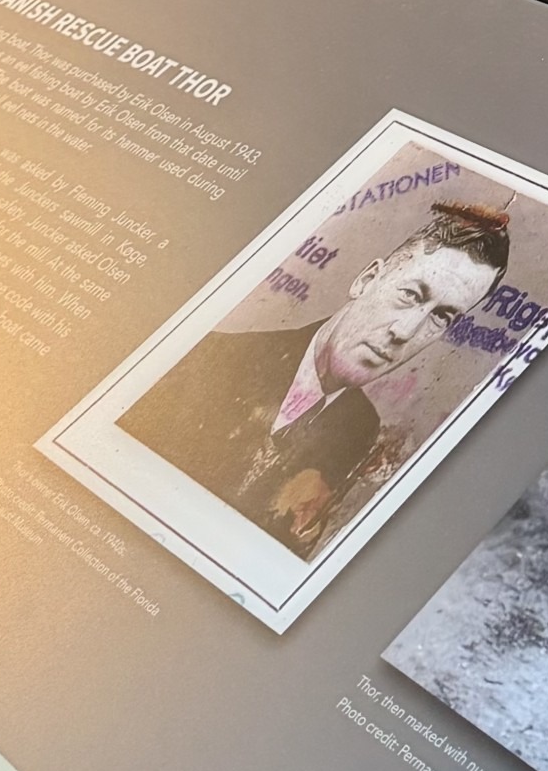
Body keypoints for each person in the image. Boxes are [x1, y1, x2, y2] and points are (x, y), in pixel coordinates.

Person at [119, 199, 510, 556]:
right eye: (410, 295)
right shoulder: (209, 355)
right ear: (366, 280)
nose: (405, 331)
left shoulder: (360, 427)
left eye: (441, 317)